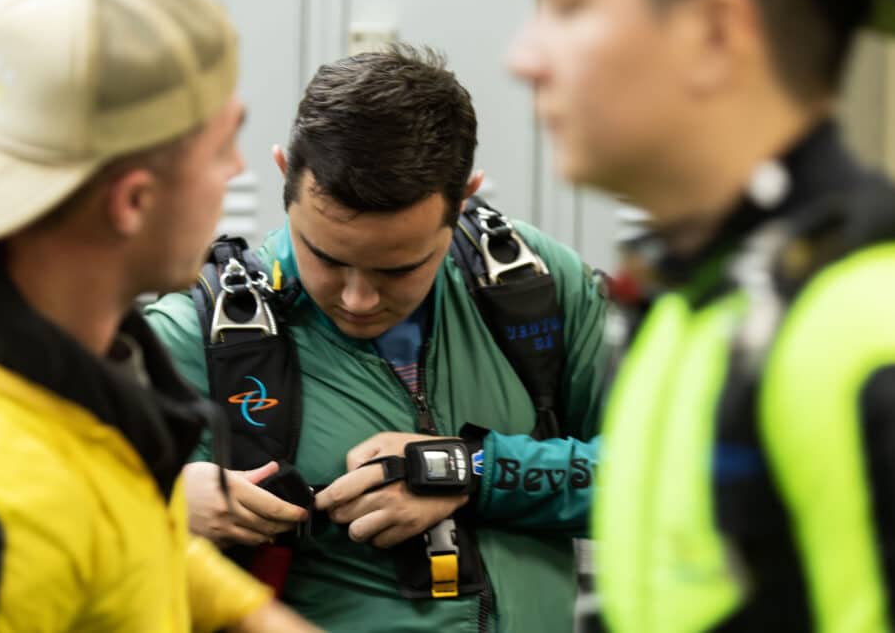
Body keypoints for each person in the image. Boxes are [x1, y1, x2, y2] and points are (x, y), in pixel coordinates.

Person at [508, 0, 895, 630]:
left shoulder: (879, 326)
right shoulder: (690, 307)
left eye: (566, 4)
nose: (523, 55)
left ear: (717, 32)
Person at [0, 0, 319, 632]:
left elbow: (122, 534)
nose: (239, 169)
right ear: (133, 200)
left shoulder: (62, 360)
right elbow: (58, 531)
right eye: (224, 144)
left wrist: (248, 612)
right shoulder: (2, 508)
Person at [145, 45, 607, 632]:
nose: (357, 299)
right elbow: (71, 528)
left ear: (464, 197)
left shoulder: (530, 285)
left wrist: (471, 472)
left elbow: (672, 475)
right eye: (328, 259)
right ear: (285, 173)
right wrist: (161, 506)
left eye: (398, 269)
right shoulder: (199, 338)